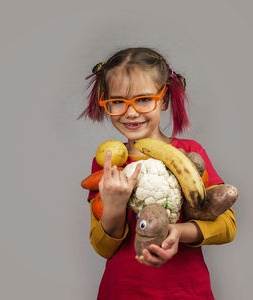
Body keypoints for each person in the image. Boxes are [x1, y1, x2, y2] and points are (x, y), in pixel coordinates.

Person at [79, 47, 237, 299]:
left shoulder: (188, 154)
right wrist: (115, 207)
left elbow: (228, 226)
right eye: (118, 101)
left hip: (185, 291)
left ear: (163, 99)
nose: (130, 112)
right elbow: (103, 247)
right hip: (122, 291)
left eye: (143, 99)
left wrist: (178, 232)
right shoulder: (107, 163)